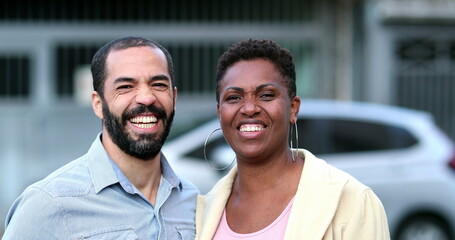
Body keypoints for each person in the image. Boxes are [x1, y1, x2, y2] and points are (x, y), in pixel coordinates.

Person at [3, 36, 198, 239]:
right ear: (98, 104)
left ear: (174, 98)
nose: (147, 97)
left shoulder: (194, 202)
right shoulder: (49, 204)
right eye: (125, 87)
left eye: (158, 84)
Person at [195, 39, 390, 239]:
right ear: (220, 112)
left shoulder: (353, 202)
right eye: (234, 97)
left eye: (266, 95)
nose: (249, 108)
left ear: (293, 108)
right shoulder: (202, 212)